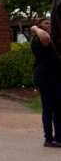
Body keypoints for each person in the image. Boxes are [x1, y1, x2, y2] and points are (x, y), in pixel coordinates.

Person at [30, 18, 61, 148]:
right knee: (48, 108)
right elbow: (45, 38)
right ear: (40, 25)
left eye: (50, 22)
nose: (49, 25)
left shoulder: (55, 38)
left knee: (59, 108)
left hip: (57, 76)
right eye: (46, 23)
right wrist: (36, 29)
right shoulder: (38, 39)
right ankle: (48, 138)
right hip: (45, 76)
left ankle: (58, 138)